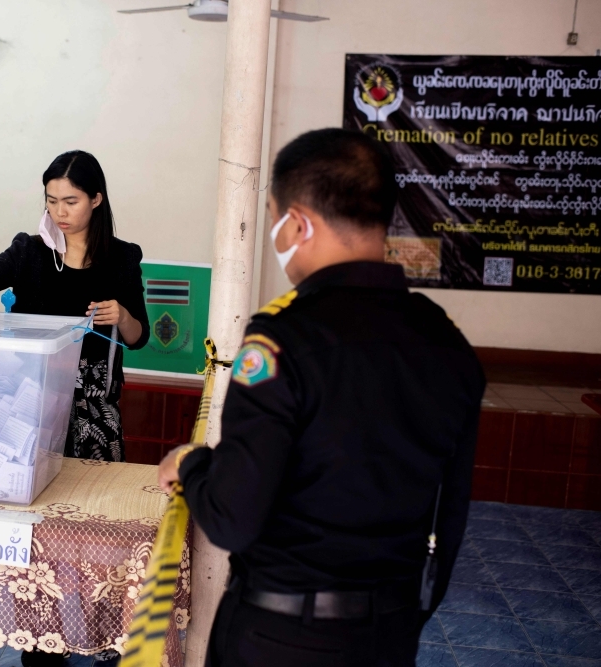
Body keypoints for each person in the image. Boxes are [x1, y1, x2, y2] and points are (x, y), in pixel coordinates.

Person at [158, 128, 485, 667]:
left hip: (278, 637)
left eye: (274, 217)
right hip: (390, 634)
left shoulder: (281, 339)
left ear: (300, 223)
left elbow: (232, 517)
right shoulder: (445, 341)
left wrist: (193, 465)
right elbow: (449, 517)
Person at [0, 150, 149, 666]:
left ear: (97, 200)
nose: (60, 211)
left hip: (94, 406)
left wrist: (122, 313)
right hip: (32, 404)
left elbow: (140, 335)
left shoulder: (123, 257)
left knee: (96, 528)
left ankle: (108, 637)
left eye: (71, 200)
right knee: (35, 529)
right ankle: (40, 647)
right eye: (51, 200)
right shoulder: (30, 251)